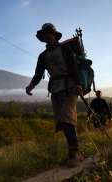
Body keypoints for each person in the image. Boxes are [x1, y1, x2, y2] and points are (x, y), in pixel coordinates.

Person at [25, 23, 83, 167]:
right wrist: (31, 85)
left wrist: (78, 84)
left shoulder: (65, 49)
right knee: (63, 122)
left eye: (48, 33)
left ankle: (74, 153)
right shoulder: (43, 56)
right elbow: (38, 73)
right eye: (44, 35)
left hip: (69, 87)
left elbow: (73, 67)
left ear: (54, 35)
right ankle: (73, 152)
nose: (46, 36)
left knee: (67, 118)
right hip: (55, 89)